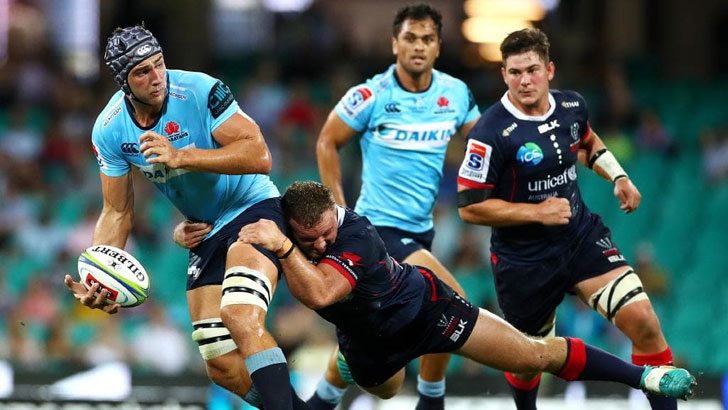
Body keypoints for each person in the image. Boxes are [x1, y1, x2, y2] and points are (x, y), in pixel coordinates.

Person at [238, 181, 696, 405]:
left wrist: (282, 247)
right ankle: (342, 370)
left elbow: (320, 293)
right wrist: (191, 233)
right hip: (371, 345)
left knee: (532, 354)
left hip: (427, 310)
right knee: (388, 392)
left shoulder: (353, 231)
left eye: (323, 234)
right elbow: (237, 220)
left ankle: (644, 378)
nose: (319, 244)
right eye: (307, 238)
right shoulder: (289, 223)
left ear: (334, 216)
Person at [62, 24, 305, 410]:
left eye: (158, 65)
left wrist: (182, 156)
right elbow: (117, 210)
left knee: (240, 315)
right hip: (204, 231)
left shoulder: (199, 89)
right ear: (124, 82)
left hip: (252, 207)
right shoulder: (109, 129)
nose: (156, 78)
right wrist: (101, 275)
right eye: (142, 72)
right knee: (219, 362)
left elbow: (260, 155)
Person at [456, 28, 677, 410]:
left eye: (532, 70)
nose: (524, 80)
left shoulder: (572, 106)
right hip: (522, 261)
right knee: (528, 361)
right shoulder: (490, 132)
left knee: (644, 322)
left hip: (579, 238)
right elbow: (469, 206)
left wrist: (618, 176)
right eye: (514, 72)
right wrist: (536, 212)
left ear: (550, 70)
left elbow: (587, 141)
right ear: (504, 75)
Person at [315, 4, 480, 408]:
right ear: (395, 43)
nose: (418, 47)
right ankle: (431, 399)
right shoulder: (371, 95)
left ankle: (320, 401)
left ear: (439, 46)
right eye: (410, 38)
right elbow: (327, 141)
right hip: (379, 231)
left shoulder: (455, 94)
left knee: (378, 339)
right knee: (453, 305)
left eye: (426, 39)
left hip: (421, 232)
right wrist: (340, 213)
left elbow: (485, 141)